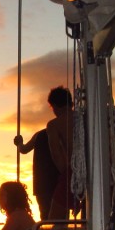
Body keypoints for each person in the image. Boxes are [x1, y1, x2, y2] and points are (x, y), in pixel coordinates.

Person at [13, 128, 58, 220]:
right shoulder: (60, 130)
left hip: (42, 182)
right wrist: (19, 143)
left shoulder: (39, 134)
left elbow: (23, 149)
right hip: (55, 180)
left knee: (45, 213)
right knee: (59, 213)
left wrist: (19, 143)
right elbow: (23, 149)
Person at [45, 86, 75, 221]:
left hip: (73, 171)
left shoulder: (54, 125)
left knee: (55, 220)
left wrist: (66, 177)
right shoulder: (86, 117)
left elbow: (56, 155)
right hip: (97, 169)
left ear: (55, 106)